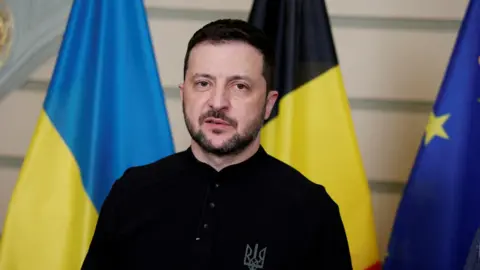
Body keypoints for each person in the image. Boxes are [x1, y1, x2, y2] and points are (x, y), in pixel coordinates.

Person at [81, 19, 352, 270]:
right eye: (203, 83)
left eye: (239, 86)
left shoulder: (312, 210)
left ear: (269, 104)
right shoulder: (130, 193)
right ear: (184, 93)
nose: (218, 102)